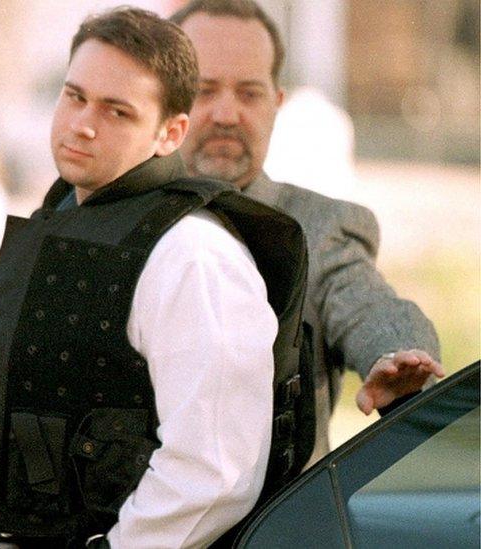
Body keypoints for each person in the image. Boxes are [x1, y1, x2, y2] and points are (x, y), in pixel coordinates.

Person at [0, 7, 310, 548]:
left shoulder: (194, 255)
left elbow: (213, 472)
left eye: (117, 111)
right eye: (74, 96)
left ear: (171, 133)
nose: (82, 124)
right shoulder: (70, 212)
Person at [169, 0, 444, 461]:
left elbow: (369, 305)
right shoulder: (119, 215)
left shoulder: (319, 228)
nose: (226, 113)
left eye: (249, 93)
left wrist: (398, 355)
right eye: (204, 90)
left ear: (277, 104)